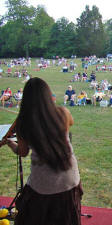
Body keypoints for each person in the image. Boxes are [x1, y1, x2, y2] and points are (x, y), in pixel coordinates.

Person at [6, 77, 82, 225]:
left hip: (42, 186)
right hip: (70, 179)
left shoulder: (24, 123)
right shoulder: (63, 113)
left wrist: (10, 143)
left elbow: (22, 152)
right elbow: (69, 123)